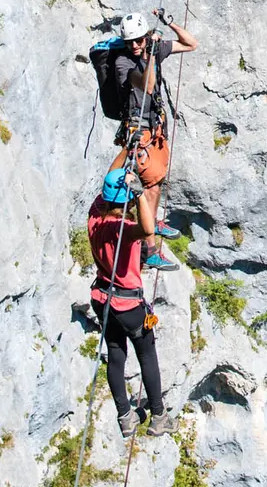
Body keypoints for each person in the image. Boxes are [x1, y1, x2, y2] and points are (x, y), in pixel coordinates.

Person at [88, 158, 176, 438]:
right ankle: (159, 417)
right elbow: (148, 229)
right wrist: (139, 194)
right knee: (147, 354)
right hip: (128, 305)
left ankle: (125, 417)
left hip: (102, 300)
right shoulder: (121, 229)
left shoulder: (94, 218)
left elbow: (107, 182)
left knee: (116, 355)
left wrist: (126, 151)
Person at [109, 10, 197, 271]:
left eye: (138, 40)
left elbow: (192, 44)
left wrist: (169, 23)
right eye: (130, 42)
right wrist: (149, 54)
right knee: (146, 187)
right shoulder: (122, 64)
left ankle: (153, 224)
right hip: (139, 132)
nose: (134, 46)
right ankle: (148, 249)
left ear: (146, 36)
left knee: (155, 185)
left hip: (155, 129)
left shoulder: (152, 48)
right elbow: (147, 85)